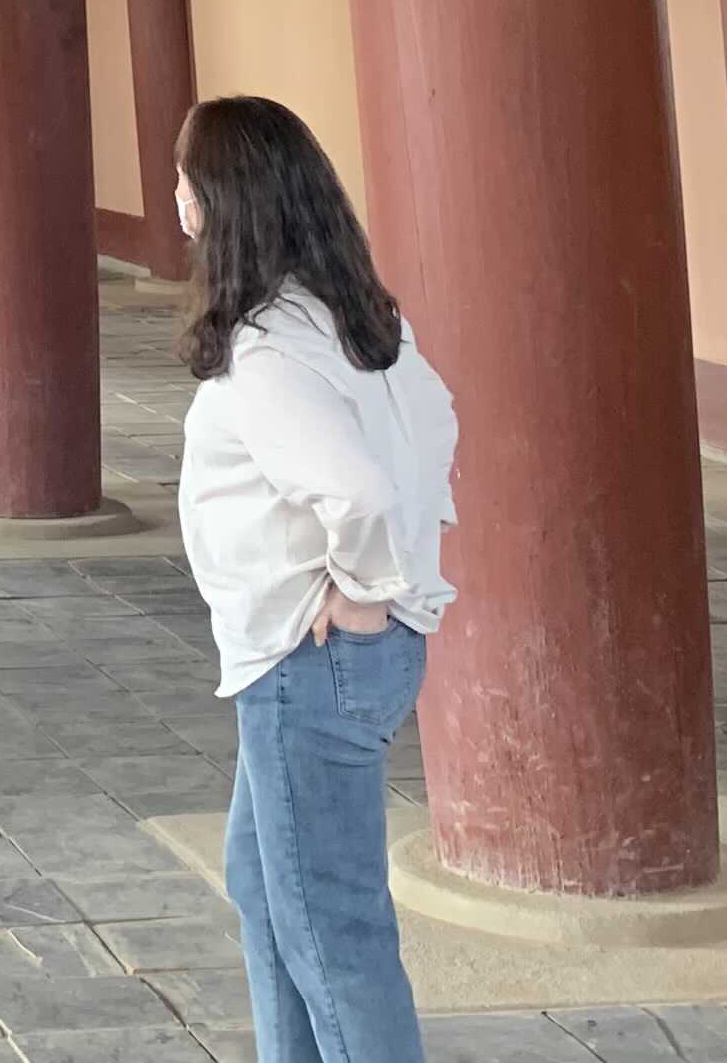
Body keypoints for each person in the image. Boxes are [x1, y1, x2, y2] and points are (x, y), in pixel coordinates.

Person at [173, 94, 459, 1063]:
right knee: (264, 883)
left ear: (221, 201)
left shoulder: (267, 349)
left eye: (186, 180)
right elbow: (438, 421)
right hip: (326, 661)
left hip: (313, 662)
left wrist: (364, 590)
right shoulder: (351, 316)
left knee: (334, 932)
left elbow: (359, 490)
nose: (177, 199)